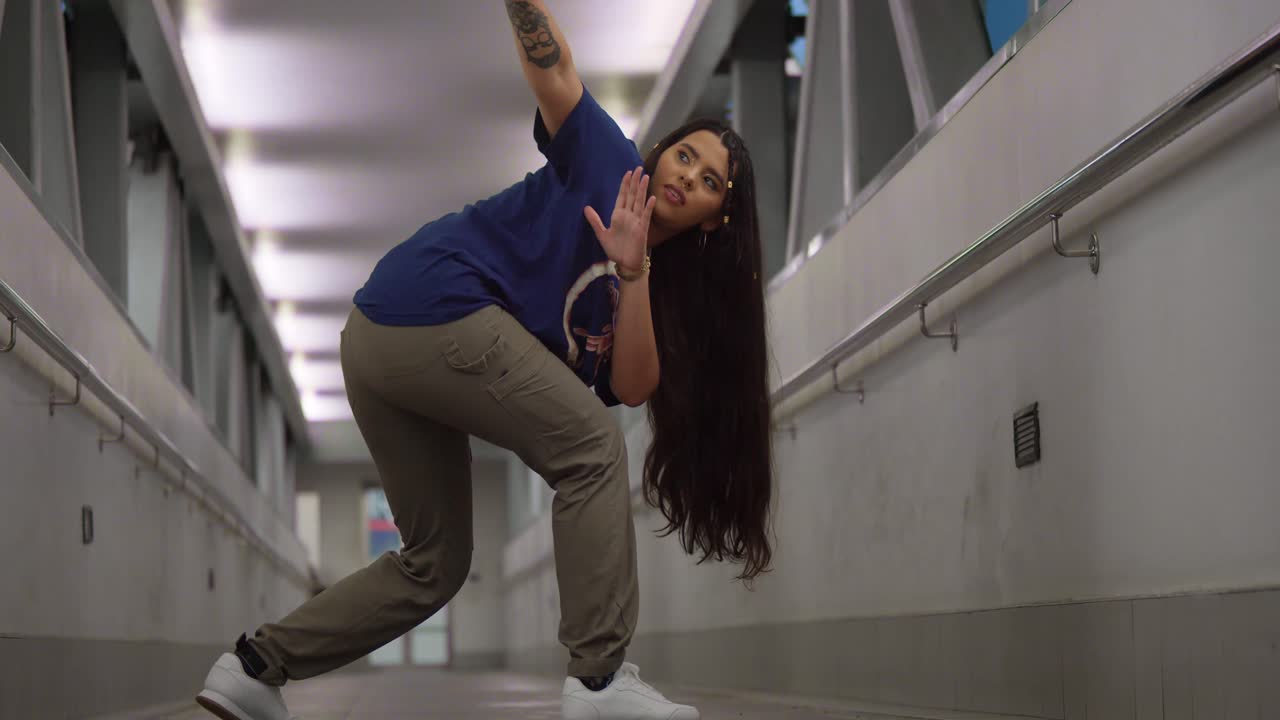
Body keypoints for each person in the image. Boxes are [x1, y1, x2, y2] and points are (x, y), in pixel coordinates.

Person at [195, 2, 773, 719]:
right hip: (433, 303)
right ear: (661, 154)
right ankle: (598, 680)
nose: (688, 175)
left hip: (382, 342)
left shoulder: (654, 288)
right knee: (591, 454)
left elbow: (630, 385)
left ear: (717, 220)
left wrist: (634, 272)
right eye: (686, 154)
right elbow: (555, 71)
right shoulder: (610, 161)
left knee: (434, 563)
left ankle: (256, 665)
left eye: (712, 180)